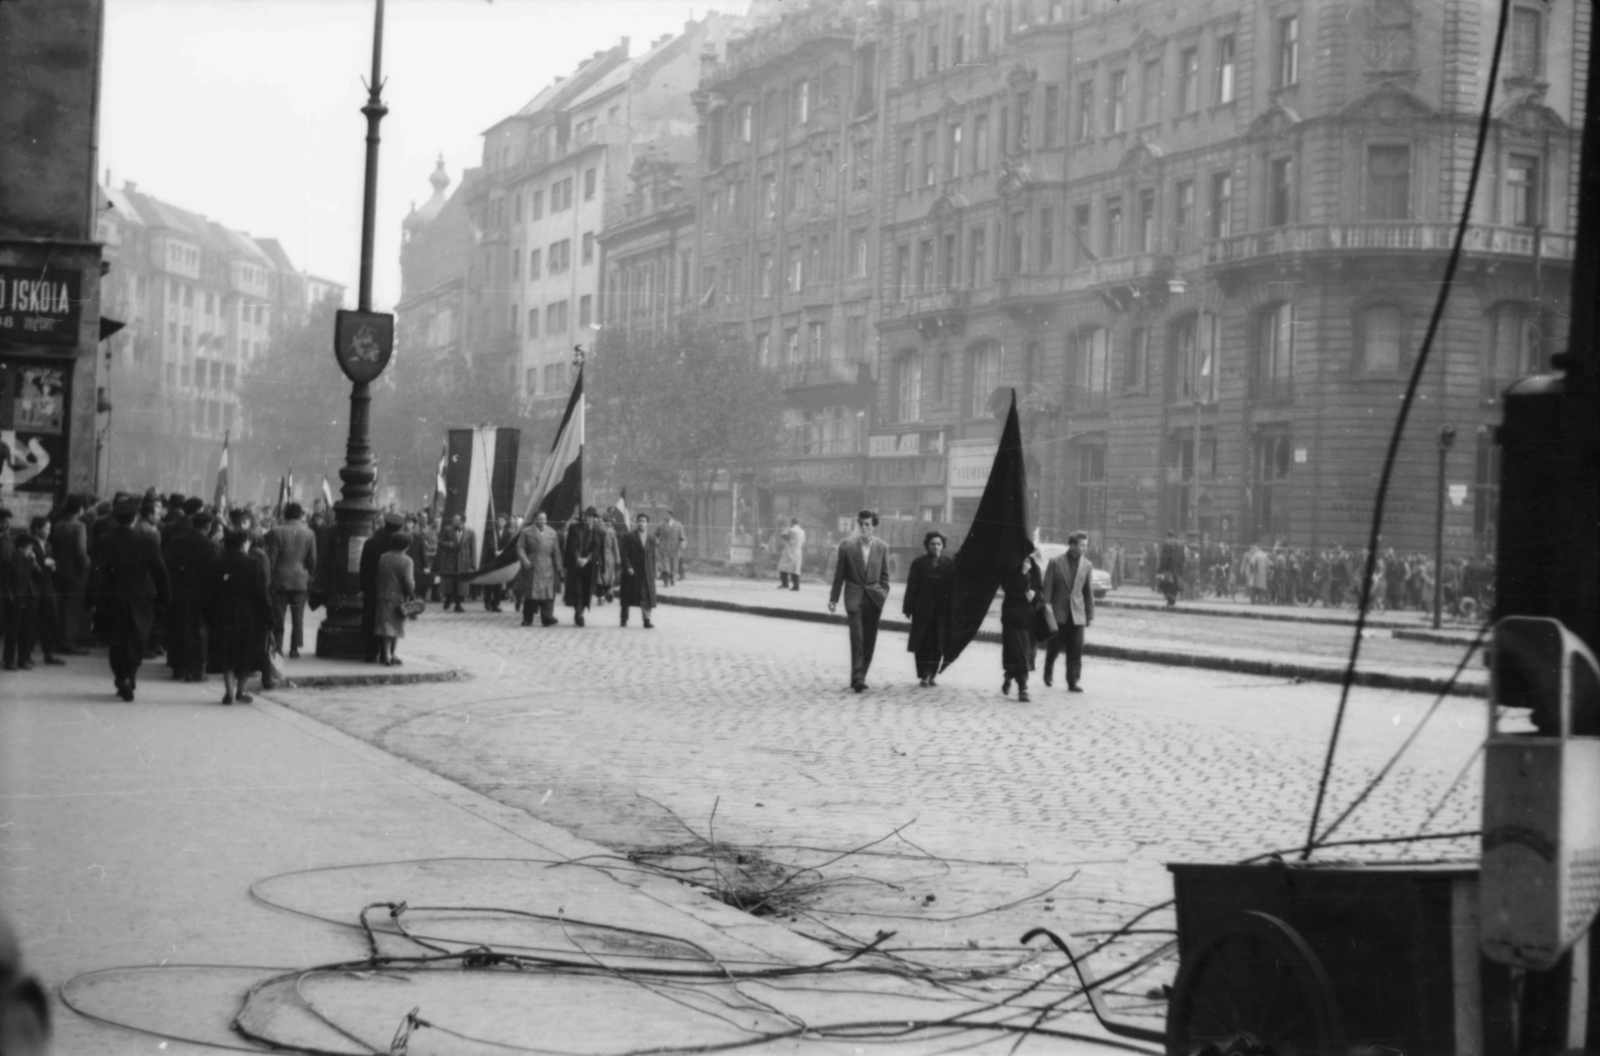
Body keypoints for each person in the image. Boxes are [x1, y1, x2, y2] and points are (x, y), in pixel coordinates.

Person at [93, 494, 171, 701]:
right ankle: (130, 675)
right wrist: (165, 597)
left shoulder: (105, 541)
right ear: (135, 517)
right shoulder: (147, 541)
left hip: (112, 597)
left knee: (117, 640)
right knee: (137, 638)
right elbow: (160, 572)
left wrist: (91, 600)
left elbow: (97, 572)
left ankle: (121, 676)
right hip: (141, 598)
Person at [204, 527, 273, 704]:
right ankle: (240, 691)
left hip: (223, 615)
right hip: (249, 617)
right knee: (246, 655)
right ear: (244, 543)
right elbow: (262, 594)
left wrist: (207, 616)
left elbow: (208, 594)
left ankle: (228, 691)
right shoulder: (254, 564)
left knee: (227, 655)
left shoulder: (215, 564)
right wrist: (269, 618)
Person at [828, 509, 891, 693]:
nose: (864, 528)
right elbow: (839, 575)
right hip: (854, 598)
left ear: (874, 527)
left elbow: (885, 577)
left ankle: (861, 674)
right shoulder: (847, 546)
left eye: (868, 525)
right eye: (861, 524)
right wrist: (833, 598)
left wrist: (883, 594)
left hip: (874, 599)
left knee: (870, 639)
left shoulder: (882, 547)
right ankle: (857, 678)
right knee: (857, 638)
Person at [1041, 531, 1095, 692]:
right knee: (1055, 646)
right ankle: (1048, 669)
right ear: (1072, 545)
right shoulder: (1055, 563)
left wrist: (1089, 615)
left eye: (1086, 545)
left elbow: (1088, 592)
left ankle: (1073, 681)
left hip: (1077, 614)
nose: (1085, 548)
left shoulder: (1087, 565)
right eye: (1082, 545)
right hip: (1059, 613)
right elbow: (1047, 591)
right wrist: (1046, 613)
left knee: (1075, 649)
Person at [264, 501, 317, 659]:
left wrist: (269, 577)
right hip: (300, 579)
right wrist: (309, 574)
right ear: (301, 515)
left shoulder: (276, 531)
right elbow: (313, 559)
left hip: (279, 578)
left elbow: (271, 558)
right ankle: (295, 648)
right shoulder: (309, 533)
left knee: (278, 615)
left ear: (285, 514)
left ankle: (278, 646)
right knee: (298, 617)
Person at [902, 531, 954, 686]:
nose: (935, 547)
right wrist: (908, 608)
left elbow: (952, 588)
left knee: (938, 643)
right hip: (922, 610)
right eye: (932, 544)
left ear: (943, 546)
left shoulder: (948, 563)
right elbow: (911, 586)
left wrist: (952, 609)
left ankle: (932, 674)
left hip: (941, 612)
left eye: (938, 544)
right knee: (923, 642)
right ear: (927, 546)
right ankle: (923, 674)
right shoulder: (918, 563)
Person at [1000, 553, 1044, 702]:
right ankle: (1023, 688)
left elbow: (1040, 589)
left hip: (1030, 617)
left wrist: (1034, 593)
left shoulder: (1035, 566)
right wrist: (1022, 572)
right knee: (1020, 652)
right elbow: (1008, 588)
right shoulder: (1010, 565)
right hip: (1013, 617)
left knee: (1027, 652)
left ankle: (1009, 674)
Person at [50, 496, 91, 654]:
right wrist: (86, 564)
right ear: (80, 509)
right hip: (76, 571)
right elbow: (81, 551)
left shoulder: (59, 524)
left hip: (60, 569)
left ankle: (60, 639)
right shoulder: (79, 526)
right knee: (73, 607)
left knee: (61, 605)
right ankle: (68, 642)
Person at [358, 513, 401, 662]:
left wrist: (363, 588)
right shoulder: (399, 546)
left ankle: (370, 653)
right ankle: (386, 653)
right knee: (389, 620)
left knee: (370, 618)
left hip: (372, 586)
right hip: (392, 589)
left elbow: (363, 568)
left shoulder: (371, 543)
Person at [374, 530, 416, 666]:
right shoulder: (407, 560)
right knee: (398, 626)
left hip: (383, 595)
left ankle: (385, 654)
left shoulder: (383, 557)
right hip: (399, 597)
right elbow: (408, 581)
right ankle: (395, 654)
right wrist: (411, 591)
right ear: (406, 546)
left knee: (385, 626)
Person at [515, 510, 562, 627]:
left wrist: (559, 567)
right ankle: (527, 618)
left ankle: (547, 617)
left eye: (544, 519)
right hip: (532, 565)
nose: (542, 521)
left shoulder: (552, 533)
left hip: (548, 566)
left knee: (547, 593)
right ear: (535, 519)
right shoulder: (526, 532)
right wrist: (525, 560)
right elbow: (520, 547)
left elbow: (556, 552)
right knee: (531, 592)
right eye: (540, 519)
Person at [563, 507, 603, 626]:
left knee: (586, 590)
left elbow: (597, 550)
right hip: (576, 565)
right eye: (586, 515)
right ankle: (579, 614)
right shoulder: (574, 528)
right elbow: (571, 546)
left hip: (590, 566)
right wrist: (577, 558)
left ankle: (579, 612)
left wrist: (587, 559)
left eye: (590, 516)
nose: (587, 518)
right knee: (577, 590)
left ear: (594, 518)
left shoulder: (600, 532)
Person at [618, 512, 659, 628]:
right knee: (626, 595)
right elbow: (624, 554)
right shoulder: (629, 536)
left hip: (646, 572)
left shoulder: (651, 539)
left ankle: (646, 619)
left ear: (647, 524)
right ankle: (623, 619)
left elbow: (653, 556)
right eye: (639, 521)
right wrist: (628, 567)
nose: (641, 523)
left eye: (643, 521)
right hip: (632, 571)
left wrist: (654, 571)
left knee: (646, 595)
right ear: (636, 522)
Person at [435, 513, 475, 613]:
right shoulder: (447, 530)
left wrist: (472, 564)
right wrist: (449, 544)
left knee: (461, 584)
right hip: (450, 560)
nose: (454, 521)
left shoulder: (470, 532)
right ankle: (448, 599)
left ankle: (458, 604)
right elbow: (440, 542)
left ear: (462, 521)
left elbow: (473, 549)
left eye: (456, 520)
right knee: (449, 582)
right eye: (454, 519)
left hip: (463, 561)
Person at [484, 512, 513, 612]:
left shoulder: (508, 533)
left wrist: (501, 552)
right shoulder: (491, 531)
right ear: (496, 521)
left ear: (505, 523)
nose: (500, 522)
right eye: (499, 520)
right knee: (489, 581)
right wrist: (495, 551)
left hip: (501, 559)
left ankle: (495, 603)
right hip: (491, 558)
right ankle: (487, 601)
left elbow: (508, 544)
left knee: (498, 582)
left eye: (503, 521)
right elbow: (490, 542)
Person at [655, 510, 685, 586]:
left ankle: (672, 578)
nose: (664, 516)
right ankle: (666, 581)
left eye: (665, 514)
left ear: (670, 515)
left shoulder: (679, 525)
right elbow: (656, 535)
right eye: (663, 514)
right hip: (664, 549)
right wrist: (657, 542)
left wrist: (682, 544)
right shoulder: (660, 525)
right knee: (664, 566)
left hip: (675, 550)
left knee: (674, 566)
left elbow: (683, 538)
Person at [776, 517, 806, 590]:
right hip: (798, 552)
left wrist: (787, 527)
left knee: (783, 567)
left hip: (789, 552)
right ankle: (796, 586)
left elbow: (783, 535)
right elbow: (804, 542)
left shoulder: (791, 530)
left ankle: (785, 584)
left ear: (791, 523)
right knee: (795, 570)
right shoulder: (802, 531)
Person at [1157, 531, 1184, 608]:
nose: (1166, 539)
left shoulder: (1167, 544)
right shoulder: (1181, 545)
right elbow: (1183, 558)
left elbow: (1164, 558)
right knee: (1175, 585)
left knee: (1165, 584)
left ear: (1168, 536)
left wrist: (1161, 568)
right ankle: (1172, 599)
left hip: (1168, 568)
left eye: (1166, 537)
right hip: (1178, 569)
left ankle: (1170, 598)